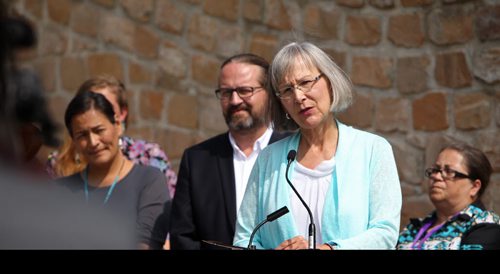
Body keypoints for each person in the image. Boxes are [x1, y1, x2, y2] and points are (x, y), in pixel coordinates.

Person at [232, 42, 402, 250]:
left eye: (305, 82)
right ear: (281, 103)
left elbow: (385, 233)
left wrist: (331, 249)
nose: (299, 97)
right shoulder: (268, 159)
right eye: (287, 90)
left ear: (330, 82)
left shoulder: (373, 150)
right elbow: (243, 239)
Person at [0, 3, 135, 249]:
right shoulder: (55, 165)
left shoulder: (146, 165)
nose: (92, 141)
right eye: (83, 132)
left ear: (118, 118)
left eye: (100, 125)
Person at [169, 53, 289, 250]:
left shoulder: (293, 151)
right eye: (226, 92)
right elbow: (182, 237)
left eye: (244, 90)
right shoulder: (197, 160)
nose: (234, 100)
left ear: (269, 93)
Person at [56, 90, 170, 249]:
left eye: (99, 130)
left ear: (117, 124)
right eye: (82, 135)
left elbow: (146, 244)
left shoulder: (149, 181)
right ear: (73, 140)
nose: (93, 142)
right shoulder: (60, 191)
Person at [46, 75, 177, 197]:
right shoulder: (58, 162)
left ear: (121, 115)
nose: (93, 141)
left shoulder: (149, 155)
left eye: (104, 106)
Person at [397, 143, 500, 250]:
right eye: (436, 170)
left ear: (474, 186)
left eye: (449, 171)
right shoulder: (413, 229)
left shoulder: (486, 226)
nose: (436, 176)